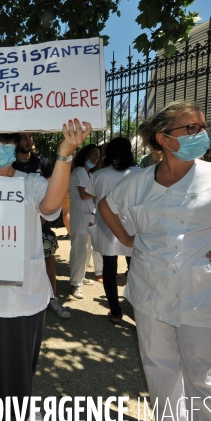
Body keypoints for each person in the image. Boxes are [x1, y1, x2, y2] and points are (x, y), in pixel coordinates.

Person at [99, 100, 211, 421]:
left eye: (203, 127)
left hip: (206, 296)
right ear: (164, 139)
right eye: (191, 127)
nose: (201, 134)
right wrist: (127, 240)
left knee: (207, 379)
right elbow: (106, 207)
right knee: (159, 368)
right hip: (152, 292)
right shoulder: (136, 182)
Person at [0, 119, 92, 421]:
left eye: (6, 143)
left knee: (22, 358)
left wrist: (66, 153)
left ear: (16, 147)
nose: (1, 150)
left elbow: (51, 204)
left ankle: (20, 407)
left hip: (26, 290)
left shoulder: (31, 182)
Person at [12, 132, 70, 319]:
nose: (29, 140)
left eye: (30, 137)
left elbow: (52, 189)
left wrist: (42, 218)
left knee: (47, 258)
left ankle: (53, 298)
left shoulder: (42, 161)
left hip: (42, 221)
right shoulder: (9, 164)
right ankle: (23, 298)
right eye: (24, 137)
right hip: (17, 224)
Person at [85, 137, 140, 324]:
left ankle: (116, 311)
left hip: (107, 227)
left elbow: (94, 200)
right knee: (136, 268)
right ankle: (138, 309)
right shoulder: (140, 173)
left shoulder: (98, 175)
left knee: (109, 269)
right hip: (134, 228)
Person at [69, 144, 103, 299]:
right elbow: (84, 194)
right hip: (81, 217)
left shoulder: (88, 174)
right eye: (94, 154)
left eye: (98, 155)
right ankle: (76, 284)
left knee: (87, 249)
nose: (97, 158)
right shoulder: (80, 172)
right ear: (85, 155)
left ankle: (81, 278)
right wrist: (99, 191)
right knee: (79, 251)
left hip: (89, 216)